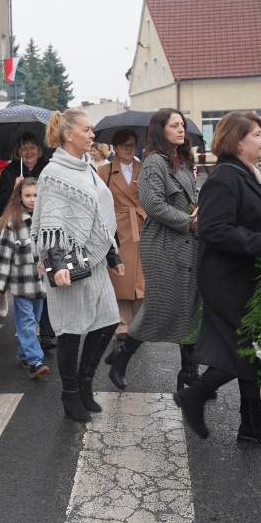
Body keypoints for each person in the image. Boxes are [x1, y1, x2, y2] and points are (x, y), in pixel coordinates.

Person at [173, 110, 261, 447]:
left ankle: (251, 424)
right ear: (238, 142)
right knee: (243, 353)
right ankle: (195, 395)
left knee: (252, 352)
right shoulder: (225, 178)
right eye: (257, 134)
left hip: (246, 277)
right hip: (227, 281)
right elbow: (213, 231)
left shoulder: (247, 174)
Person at [32, 109, 124, 422]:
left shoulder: (86, 168)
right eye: (87, 130)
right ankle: (70, 394)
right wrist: (57, 264)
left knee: (109, 320)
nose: (92, 135)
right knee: (70, 330)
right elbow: (52, 222)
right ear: (68, 135)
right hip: (67, 265)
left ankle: (85, 383)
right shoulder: (53, 173)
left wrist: (112, 254)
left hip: (94, 261)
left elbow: (99, 215)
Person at [106, 111, 201, 393]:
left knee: (191, 309)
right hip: (162, 245)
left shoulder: (181, 161)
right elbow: (153, 205)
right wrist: (189, 220)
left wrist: (199, 209)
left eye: (182, 125)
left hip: (187, 244)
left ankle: (189, 374)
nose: (181, 129)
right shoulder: (153, 163)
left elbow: (190, 197)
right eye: (174, 125)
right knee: (158, 308)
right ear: (160, 130)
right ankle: (120, 360)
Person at [0, 132, 54, 350]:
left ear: (39, 150)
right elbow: (1, 202)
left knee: (46, 283)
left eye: (33, 147)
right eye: (24, 148)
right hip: (21, 231)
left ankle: (46, 334)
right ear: (18, 152)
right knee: (28, 294)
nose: (28, 152)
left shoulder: (48, 168)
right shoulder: (11, 171)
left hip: (45, 228)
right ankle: (30, 352)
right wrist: (15, 189)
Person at [0, 178, 51, 379]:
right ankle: (35, 360)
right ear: (19, 197)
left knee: (34, 319)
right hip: (21, 282)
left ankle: (23, 353)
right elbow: (3, 252)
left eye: (36, 195)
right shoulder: (13, 222)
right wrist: (0, 283)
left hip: (41, 282)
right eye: (27, 195)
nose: (32, 199)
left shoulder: (46, 220)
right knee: (26, 321)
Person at [96, 129, 145, 356]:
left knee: (140, 279)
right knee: (120, 276)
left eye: (132, 145)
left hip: (142, 226)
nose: (128, 148)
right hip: (117, 228)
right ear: (115, 147)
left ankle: (137, 325)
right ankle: (123, 327)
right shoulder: (103, 170)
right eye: (124, 145)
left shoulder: (143, 168)